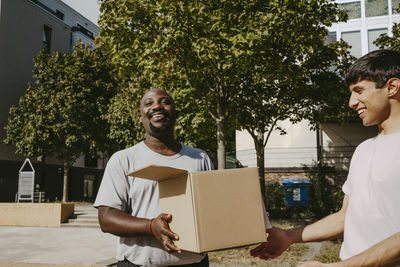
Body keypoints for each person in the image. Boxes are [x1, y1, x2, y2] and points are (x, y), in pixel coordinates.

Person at [250, 49, 400, 266]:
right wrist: (290, 236)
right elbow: (345, 216)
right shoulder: (364, 150)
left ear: (392, 87)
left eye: (359, 90)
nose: (351, 102)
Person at [94, 88, 215, 267]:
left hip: (194, 263)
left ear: (175, 113)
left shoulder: (200, 158)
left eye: (165, 101)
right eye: (149, 103)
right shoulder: (123, 159)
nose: (157, 106)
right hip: (140, 264)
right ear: (140, 117)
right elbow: (106, 219)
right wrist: (151, 226)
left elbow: (213, 209)